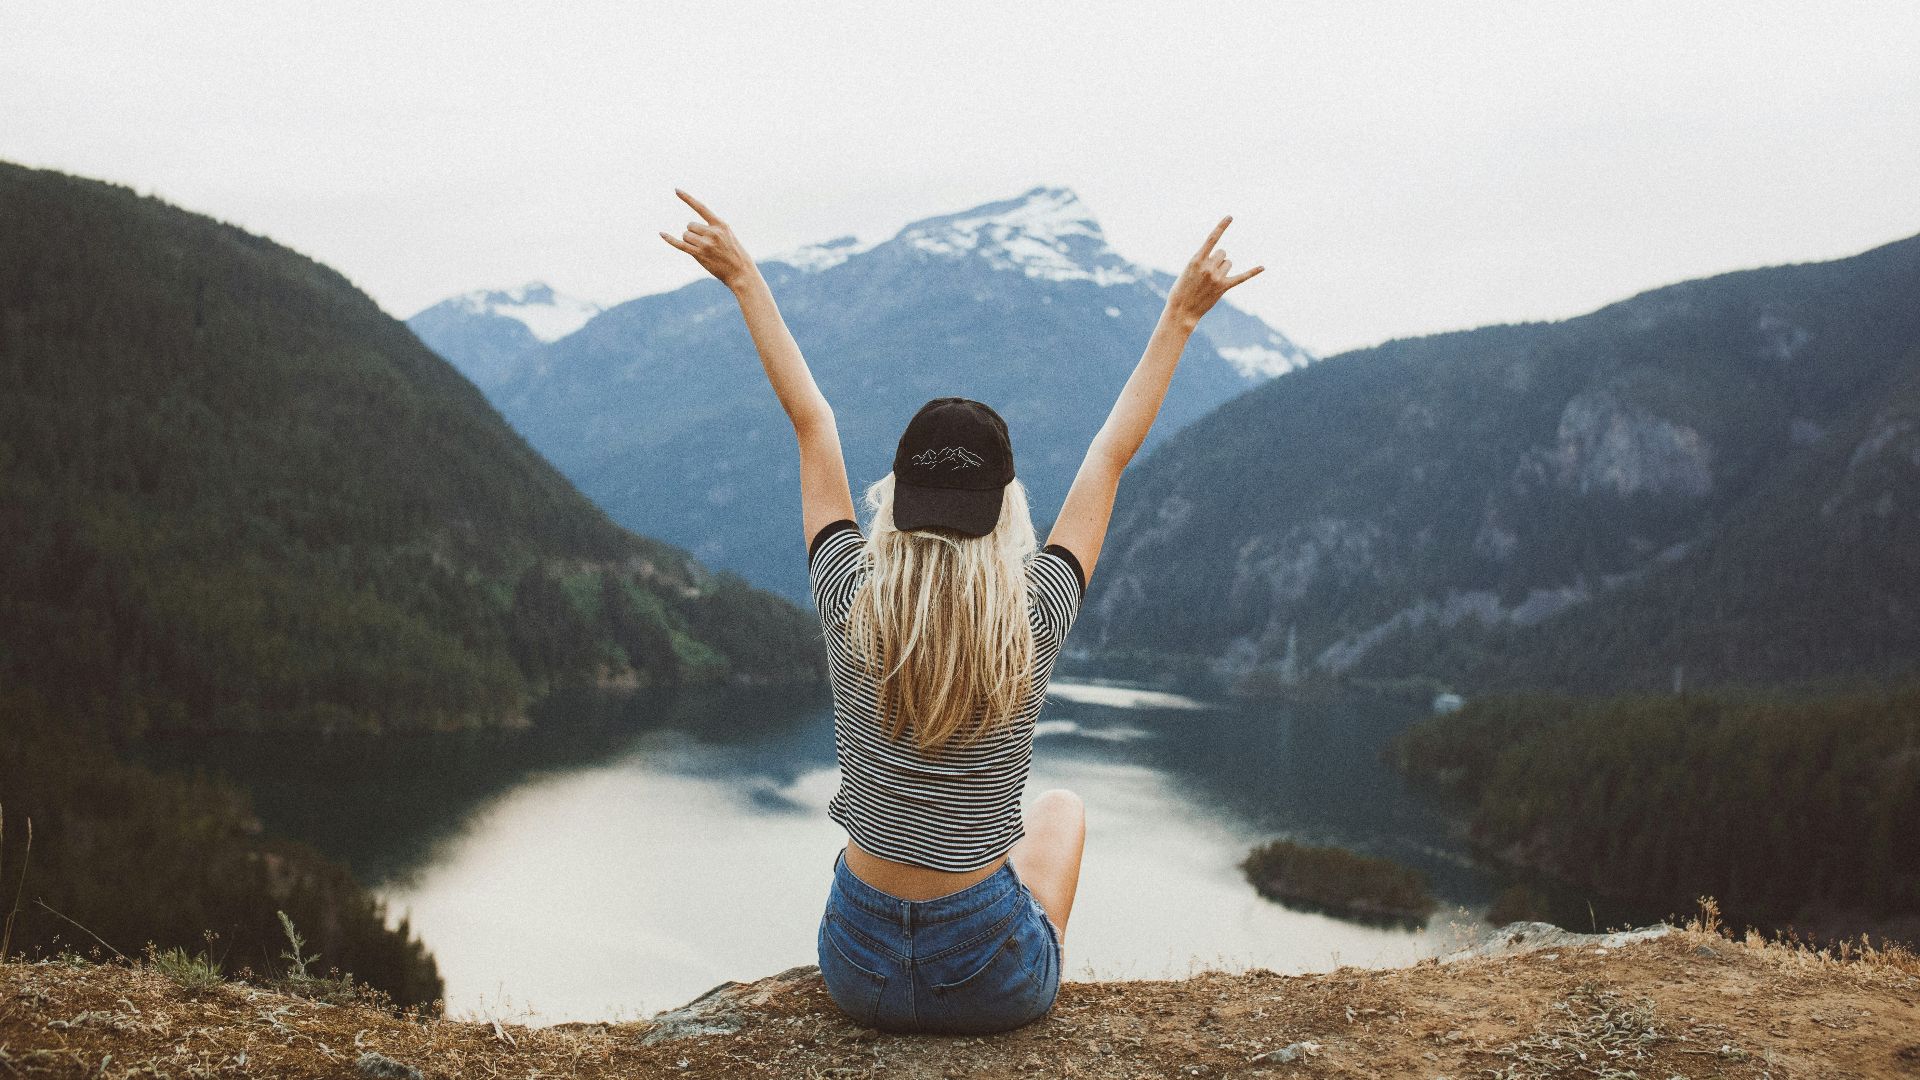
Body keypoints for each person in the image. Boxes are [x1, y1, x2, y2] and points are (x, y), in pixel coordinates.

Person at [661, 189, 1261, 1034]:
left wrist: (746, 281)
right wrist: (1179, 318)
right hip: (991, 982)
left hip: (855, 965)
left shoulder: (848, 593)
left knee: (966, 844)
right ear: (1005, 508)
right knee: (1059, 812)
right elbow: (1111, 454)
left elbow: (812, 420)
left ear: (897, 498)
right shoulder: (1035, 614)